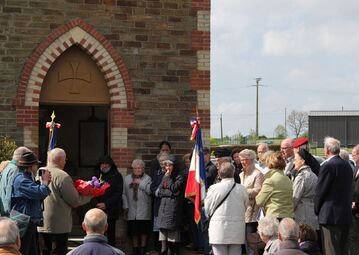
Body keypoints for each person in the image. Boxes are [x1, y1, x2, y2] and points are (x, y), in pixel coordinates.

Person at [38, 148, 91, 255]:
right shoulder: (62, 176)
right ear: (61, 160)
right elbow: (74, 200)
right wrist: (90, 195)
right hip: (59, 224)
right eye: (65, 160)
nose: (65, 162)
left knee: (44, 251)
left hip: (40, 222)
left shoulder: (39, 172)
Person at [314, 137, 353, 255]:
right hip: (345, 215)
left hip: (329, 216)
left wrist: (317, 209)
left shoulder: (328, 166)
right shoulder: (347, 165)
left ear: (326, 150)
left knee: (331, 250)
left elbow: (320, 191)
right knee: (342, 250)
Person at [11, 151, 52, 255]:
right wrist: (45, 182)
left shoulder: (27, 178)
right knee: (25, 250)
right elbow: (39, 193)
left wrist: (43, 184)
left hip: (30, 221)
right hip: (24, 222)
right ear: (31, 166)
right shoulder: (21, 180)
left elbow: (39, 195)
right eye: (36, 165)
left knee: (32, 251)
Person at [204, 162, 249, 255]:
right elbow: (245, 206)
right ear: (233, 173)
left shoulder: (213, 188)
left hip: (218, 227)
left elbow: (207, 209)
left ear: (219, 174)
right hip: (237, 227)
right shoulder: (242, 189)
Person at [90, 155, 123, 247]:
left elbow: (118, 193)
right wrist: (96, 204)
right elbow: (89, 192)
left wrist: (106, 204)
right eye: (102, 164)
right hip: (97, 210)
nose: (104, 166)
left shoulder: (117, 176)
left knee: (110, 235)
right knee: (97, 234)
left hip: (111, 210)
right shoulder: (95, 176)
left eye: (106, 164)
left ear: (110, 165)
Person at [123, 159, 152, 255]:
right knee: (133, 231)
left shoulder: (148, 178)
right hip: (131, 209)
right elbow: (123, 194)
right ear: (133, 169)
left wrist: (140, 183)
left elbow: (150, 191)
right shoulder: (127, 179)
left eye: (140, 168)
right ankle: (135, 249)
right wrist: (125, 206)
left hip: (144, 208)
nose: (138, 170)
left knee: (143, 230)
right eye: (136, 168)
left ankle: (143, 249)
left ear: (143, 169)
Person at [238, 149, 264, 255]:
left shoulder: (258, 174)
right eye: (241, 160)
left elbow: (258, 191)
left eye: (245, 159)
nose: (243, 162)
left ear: (252, 160)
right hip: (241, 212)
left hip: (252, 213)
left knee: (251, 242)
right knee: (243, 242)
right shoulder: (241, 174)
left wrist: (242, 191)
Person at [256, 151, 294, 220]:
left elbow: (259, 201)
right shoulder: (288, 179)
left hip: (274, 216)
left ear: (269, 164)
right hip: (289, 216)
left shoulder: (270, 180)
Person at [157, 160, 184, 255]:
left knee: (172, 235)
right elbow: (159, 192)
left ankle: (173, 251)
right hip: (163, 209)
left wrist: (167, 178)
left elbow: (174, 187)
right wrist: (170, 193)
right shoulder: (165, 176)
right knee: (163, 234)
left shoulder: (179, 177)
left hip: (173, 209)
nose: (167, 168)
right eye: (166, 166)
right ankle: (164, 251)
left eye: (170, 165)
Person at [292, 149, 318, 230]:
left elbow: (295, 198)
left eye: (295, 160)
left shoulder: (301, 177)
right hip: (313, 214)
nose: (293, 162)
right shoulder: (314, 175)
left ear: (302, 161)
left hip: (302, 215)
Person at [0, 146, 30, 216]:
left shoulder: (8, 167)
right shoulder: (16, 169)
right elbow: (9, 191)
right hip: (12, 214)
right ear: (22, 157)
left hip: (5, 211)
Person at [150, 152, 170, 253]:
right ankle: (159, 250)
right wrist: (159, 191)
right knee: (157, 228)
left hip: (168, 205)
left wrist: (162, 191)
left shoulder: (172, 172)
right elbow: (152, 187)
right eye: (160, 161)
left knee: (167, 229)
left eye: (164, 160)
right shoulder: (157, 173)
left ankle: (168, 249)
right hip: (158, 204)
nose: (162, 162)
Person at [345, 144, 359, 255]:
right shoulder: (356, 168)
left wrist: (357, 203)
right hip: (353, 212)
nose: (352, 157)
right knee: (353, 239)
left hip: (357, 208)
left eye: (353, 155)